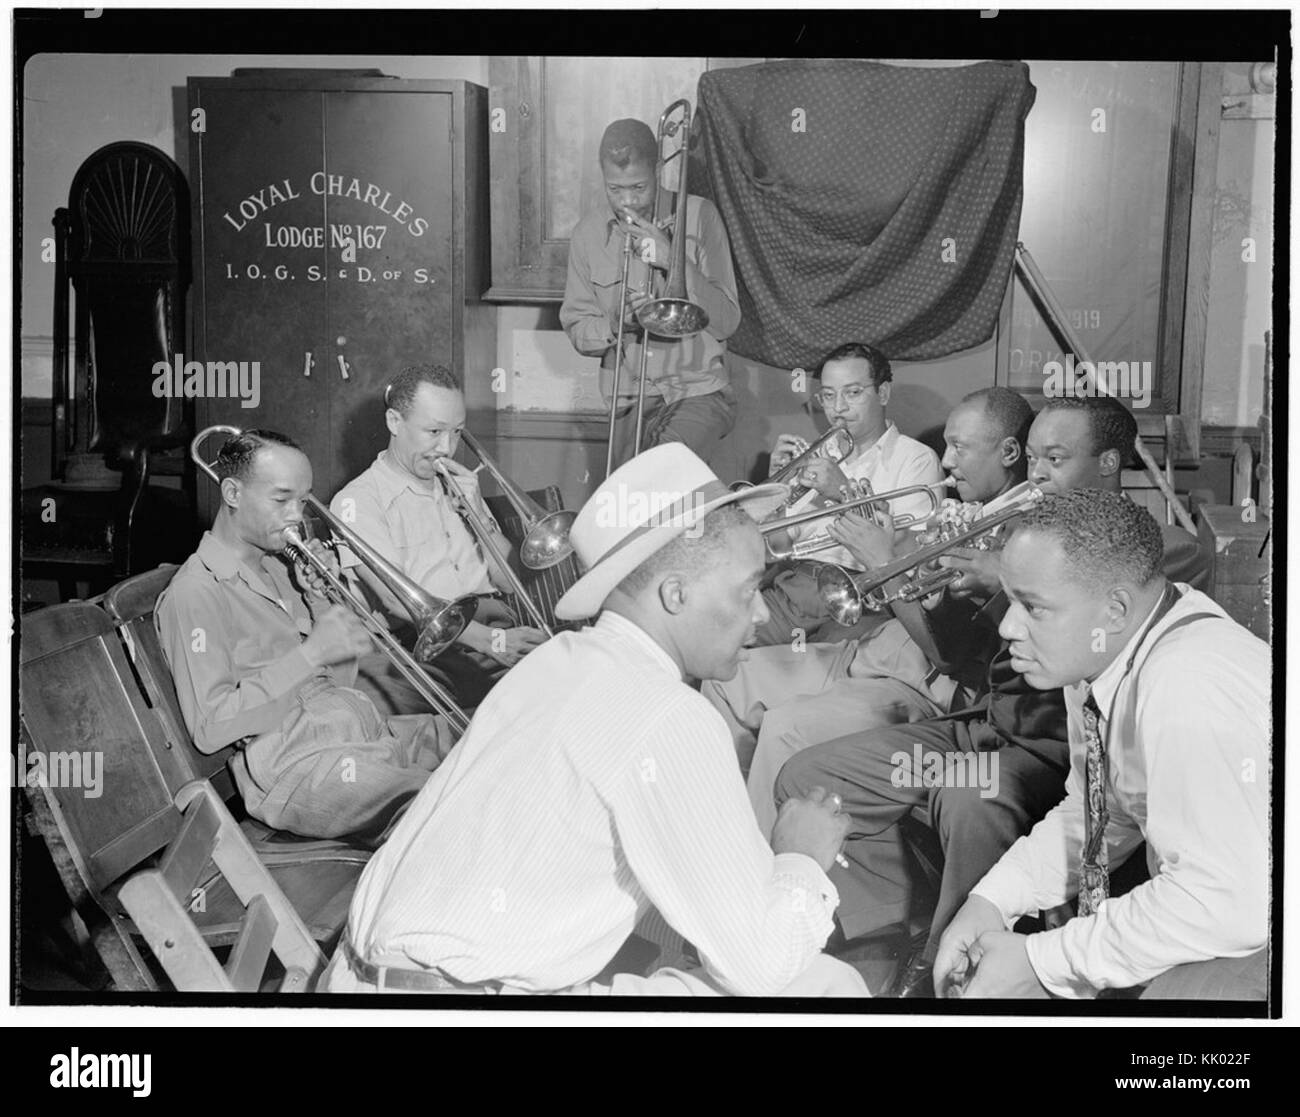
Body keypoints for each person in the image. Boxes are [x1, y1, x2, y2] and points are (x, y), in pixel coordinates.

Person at [322, 444, 868, 996]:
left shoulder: (555, 662)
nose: (764, 613)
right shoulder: (670, 714)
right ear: (675, 595)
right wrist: (802, 856)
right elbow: (762, 966)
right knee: (824, 984)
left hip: (357, 982)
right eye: (750, 589)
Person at [775, 394, 1210, 997]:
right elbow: (953, 655)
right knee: (810, 775)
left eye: (1054, 459)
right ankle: (884, 927)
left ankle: (942, 971)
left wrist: (1003, 575)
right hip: (983, 724)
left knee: (967, 792)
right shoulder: (1023, 535)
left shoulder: (1161, 544)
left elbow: (1096, 626)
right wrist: (907, 574)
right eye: (1031, 457)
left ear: (1108, 464)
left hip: (1053, 750)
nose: (1035, 475)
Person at [934, 490, 1267, 999]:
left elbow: (1224, 903)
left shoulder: (1187, 684)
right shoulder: (1107, 651)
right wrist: (993, 900)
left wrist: (1042, 961)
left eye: (1033, 607)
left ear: (1115, 609)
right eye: (1010, 598)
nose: (1006, 627)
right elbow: (1102, 814)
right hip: (1232, 902)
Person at [702, 386, 1034, 838]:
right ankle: (718, 835)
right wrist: (891, 538)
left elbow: (948, 657)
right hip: (871, 649)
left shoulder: (1022, 535)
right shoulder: (966, 510)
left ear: (1009, 451)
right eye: (947, 446)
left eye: (959, 447)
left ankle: (759, 882)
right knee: (727, 679)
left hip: (917, 685)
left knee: (785, 728)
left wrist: (883, 560)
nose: (948, 462)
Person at [156, 430, 456, 843]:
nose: (296, 514)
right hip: (295, 764)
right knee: (443, 809)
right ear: (232, 493)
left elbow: (339, 683)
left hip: (355, 730)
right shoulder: (197, 592)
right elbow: (210, 726)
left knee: (490, 736)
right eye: (281, 500)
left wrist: (320, 604)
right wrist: (311, 652)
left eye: (303, 499)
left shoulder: (278, 570)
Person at [330, 364, 547, 713]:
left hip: (496, 626)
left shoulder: (462, 486)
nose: (446, 448)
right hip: (426, 645)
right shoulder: (358, 501)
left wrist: (479, 518)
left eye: (457, 432)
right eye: (433, 431)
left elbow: (509, 582)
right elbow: (397, 600)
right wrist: (492, 641)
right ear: (394, 422)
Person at [560, 117, 741, 468]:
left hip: (697, 390)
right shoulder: (586, 235)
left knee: (657, 471)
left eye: (639, 187)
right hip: (628, 397)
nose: (628, 202)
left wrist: (673, 260)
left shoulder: (700, 216)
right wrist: (618, 324)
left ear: (659, 169)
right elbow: (578, 328)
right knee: (629, 507)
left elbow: (728, 321)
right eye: (615, 189)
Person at [753, 341, 944, 647]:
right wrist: (774, 496)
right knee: (722, 640)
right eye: (828, 396)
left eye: (852, 393)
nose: (838, 407)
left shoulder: (915, 458)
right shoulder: (814, 457)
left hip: (864, 599)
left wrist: (842, 492)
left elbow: (911, 554)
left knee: (816, 667)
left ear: (882, 393)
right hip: (794, 591)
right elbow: (777, 548)